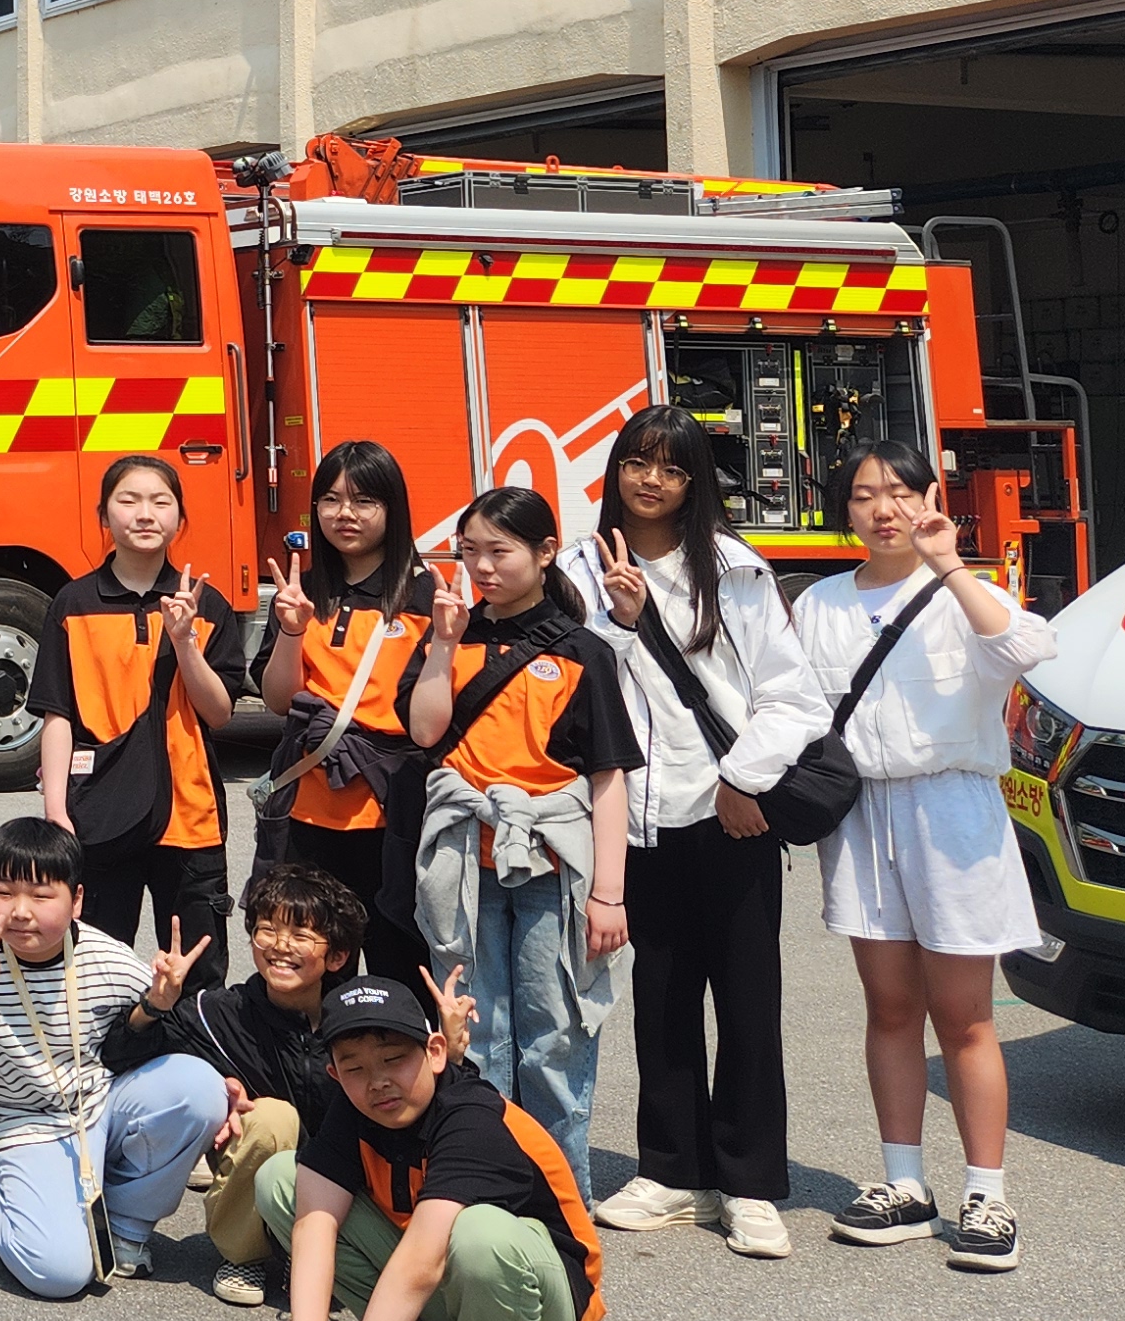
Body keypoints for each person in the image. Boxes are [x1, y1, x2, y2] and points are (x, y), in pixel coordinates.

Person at [716, 436, 1053, 1273]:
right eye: (864, 495)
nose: (884, 509)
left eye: (901, 491)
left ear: (930, 498)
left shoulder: (967, 592)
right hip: (864, 813)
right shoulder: (822, 603)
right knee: (891, 1007)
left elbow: (1025, 651)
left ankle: (988, 1195)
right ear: (845, 510)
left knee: (965, 1015)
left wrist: (950, 566)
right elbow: (790, 703)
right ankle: (904, 1182)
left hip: (952, 809)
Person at [561, 405, 821, 1260]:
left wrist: (744, 780)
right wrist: (619, 621)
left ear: (695, 482)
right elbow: (571, 688)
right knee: (660, 999)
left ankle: (749, 1184)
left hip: (729, 815)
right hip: (633, 820)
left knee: (747, 1003)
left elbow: (793, 699)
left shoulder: (736, 571)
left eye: (672, 468)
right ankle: (673, 1172)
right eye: (637, 461)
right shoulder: (576, 569)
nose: (652, 480)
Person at [264, 973, 607, 1321]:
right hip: (450, 1289)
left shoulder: (472, 1117)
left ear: (436, 1052)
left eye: (394, 1059)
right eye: (355, 1068)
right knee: (282, 1181)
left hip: (547, 1314)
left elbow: (422, 1262)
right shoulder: (354, 1111)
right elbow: (313, 1228)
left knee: (480, 1233)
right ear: (335, 1074)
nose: (378, 1081)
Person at [401, 487, 638, 1177]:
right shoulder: (449, 635)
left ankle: (561, 1194)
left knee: (556, 1035)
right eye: (469, 551)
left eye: (499, 551)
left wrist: (609, 895)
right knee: (476, 1031)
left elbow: (607, 777)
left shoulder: (584, 651)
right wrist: (444, 646)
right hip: (463, 862)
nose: (482, 567)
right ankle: (481, 1180)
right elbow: (424, 731)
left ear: (545, 552)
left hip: (552, 865)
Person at [0, 815, 229, 1300]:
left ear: (76, 900)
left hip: (99, 1106)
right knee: (59, 1274)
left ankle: (125, 1223)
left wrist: (159, 1003)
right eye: (3, 892)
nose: (20, 912)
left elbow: (171, 1035)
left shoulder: (105, 957)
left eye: (41, 896)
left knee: (201, 1089)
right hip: (23, 1123)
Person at [105, 860, 367, 1304]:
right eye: (267, 930)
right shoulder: (220, 1013)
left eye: (301, 936)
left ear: (337, 956)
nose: (280, 946)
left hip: (342, 1184)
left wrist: (452, 1055)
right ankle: (245, 1254)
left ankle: (313, 1245)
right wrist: (156, 1004)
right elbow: (120, 1054)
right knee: (270, 1118)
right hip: (264, 1174)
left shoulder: (361, 1021)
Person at [36, 454, 248, 988]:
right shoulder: (73, 603)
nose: (145, 514)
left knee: (197, 972)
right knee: (93, 969)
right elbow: (58, 715)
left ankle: (195, 1045)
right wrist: (56, 811)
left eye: (160, 502)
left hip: (190, 816)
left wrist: (185, 640)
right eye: (128, 500)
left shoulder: (206, 605)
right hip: (99, 814)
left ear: (180, 518)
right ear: (104, 515)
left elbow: (219, 712)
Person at [252, 440, 434, 986]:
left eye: (364, 501)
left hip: (393, 816)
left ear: (393, 509)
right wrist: (291, 630)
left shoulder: (424, 595)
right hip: (307, 816)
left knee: (400, 972)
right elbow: (278, 700)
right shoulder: (303, 591)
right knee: (312, 974)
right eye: (330, 500)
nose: (345, 514)